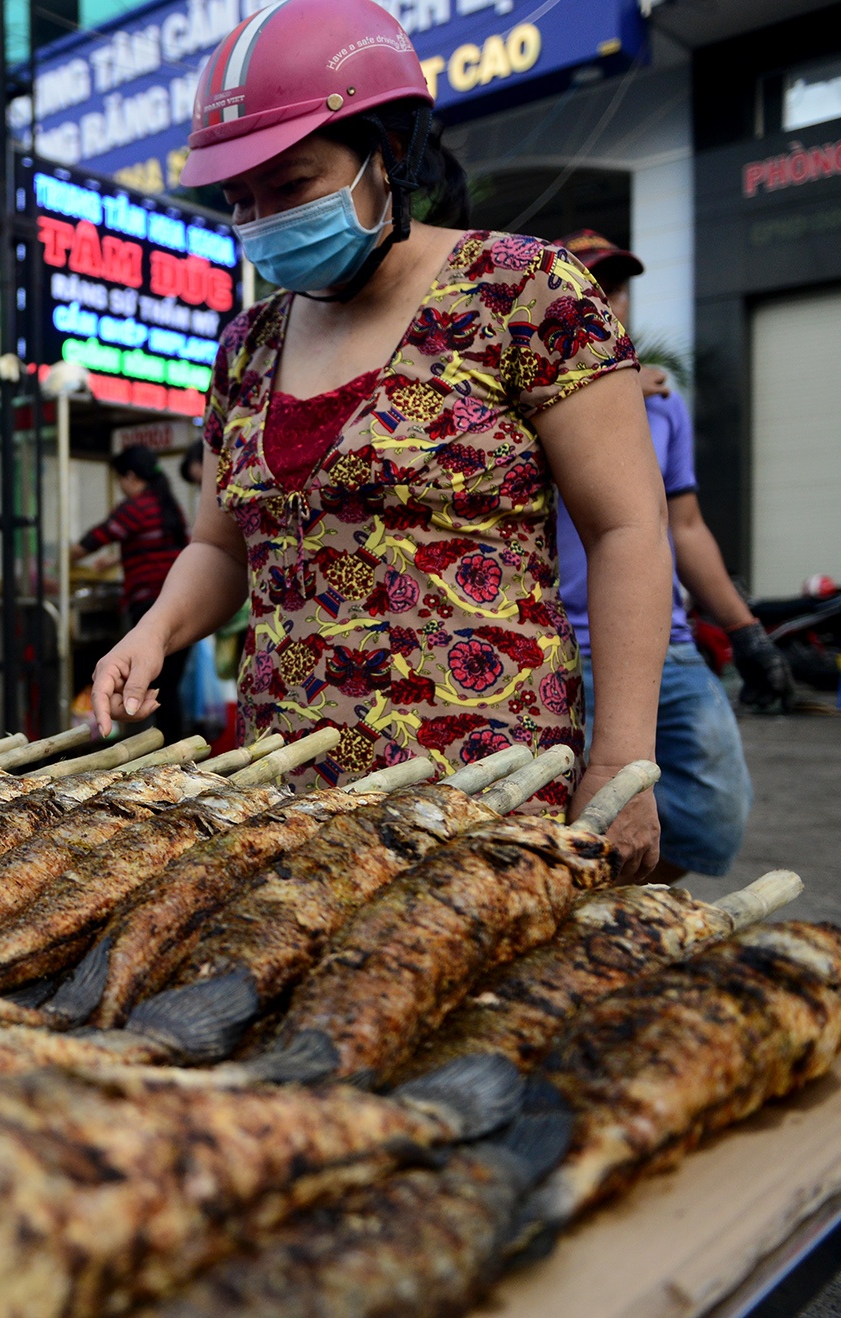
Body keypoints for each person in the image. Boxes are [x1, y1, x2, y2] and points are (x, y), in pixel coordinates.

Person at [89, 0, 673, 879]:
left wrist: (623, 764)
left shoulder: (523, 292)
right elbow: (220, 545)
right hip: (285, 785)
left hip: (484, 782)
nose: (262, 219)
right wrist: (156, 631)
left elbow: (629, 530)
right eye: (240, 199)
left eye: (291, 187)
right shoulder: (246, 346)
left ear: (388, 154)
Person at [554, 230, 794, 881]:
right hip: (568, 646)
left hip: (669, 639)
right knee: (573, 819)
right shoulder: (523, 392)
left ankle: (614, 908)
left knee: (715, 814)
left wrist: (746, 631)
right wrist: (610, 388)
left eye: (619, 287)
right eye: (593, 285)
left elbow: (683, 527)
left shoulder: (664, 405)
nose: (609, 300)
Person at [71, 446, 191, 739]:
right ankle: (174, 750)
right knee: (168, 686)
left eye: (120, 480)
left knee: (153, 687)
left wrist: (59, 563)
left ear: (131, 476)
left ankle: (160, 753)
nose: (121, 487)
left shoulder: (137, 507)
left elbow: (95, 538)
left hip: (149, 604)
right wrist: (116, 560)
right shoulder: (167, 505)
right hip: (179, 604)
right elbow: (163, 548)